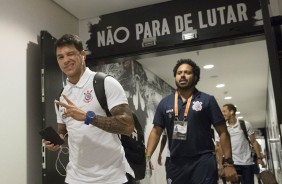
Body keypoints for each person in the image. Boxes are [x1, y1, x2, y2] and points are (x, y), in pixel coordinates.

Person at [43, 34, 135, 184]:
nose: (66, 60)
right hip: (75, 178)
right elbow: (65, 134)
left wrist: (88, 117)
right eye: (60, 57)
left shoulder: (105, 83)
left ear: (82, 54)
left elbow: (127, 126)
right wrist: (57, 143)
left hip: (111, 178)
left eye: (70, 54)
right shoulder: (62, 95)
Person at [146, 59, 238, 184]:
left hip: (203, 161)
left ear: (195, 77)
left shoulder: (207, 100)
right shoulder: (165, 103)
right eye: (179, 73)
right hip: (175, 163)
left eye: (187, 72)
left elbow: (223, 132)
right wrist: (147, 157)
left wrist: (228, 163)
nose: (182, 75)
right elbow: (156, 132)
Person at [216, 103, 265, 184]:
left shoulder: (245, 124)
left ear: (231, 112)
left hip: (247, 163)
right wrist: (220, 164)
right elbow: (219, 147)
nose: (222, 114)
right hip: (232, 164)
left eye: (224, 111)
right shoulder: (223, 128)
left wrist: (259, 158)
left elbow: (254, 142)